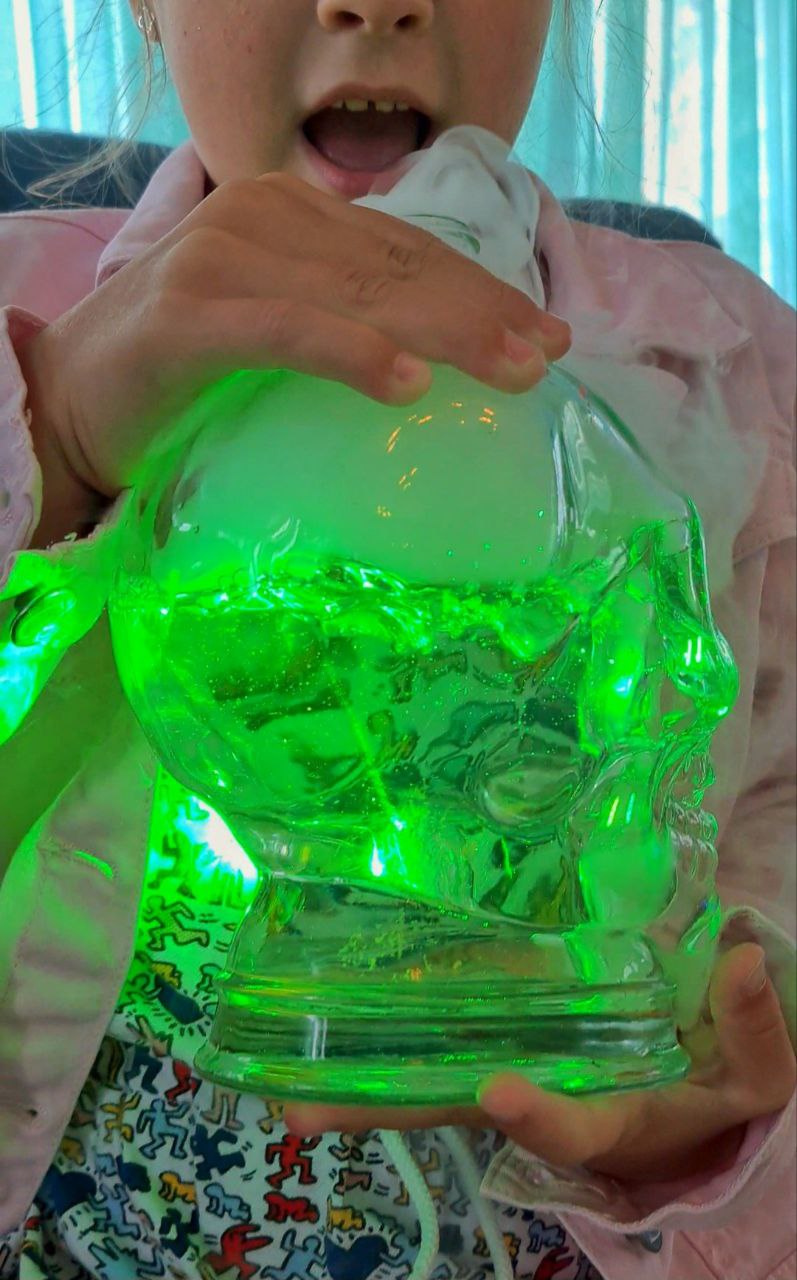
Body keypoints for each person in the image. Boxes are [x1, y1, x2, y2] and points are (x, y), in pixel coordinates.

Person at [0, 1, 795, 1277]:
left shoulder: (746, 379)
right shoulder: (17, 311)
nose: (373, 0)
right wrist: (47, 444)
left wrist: (706, 1142)